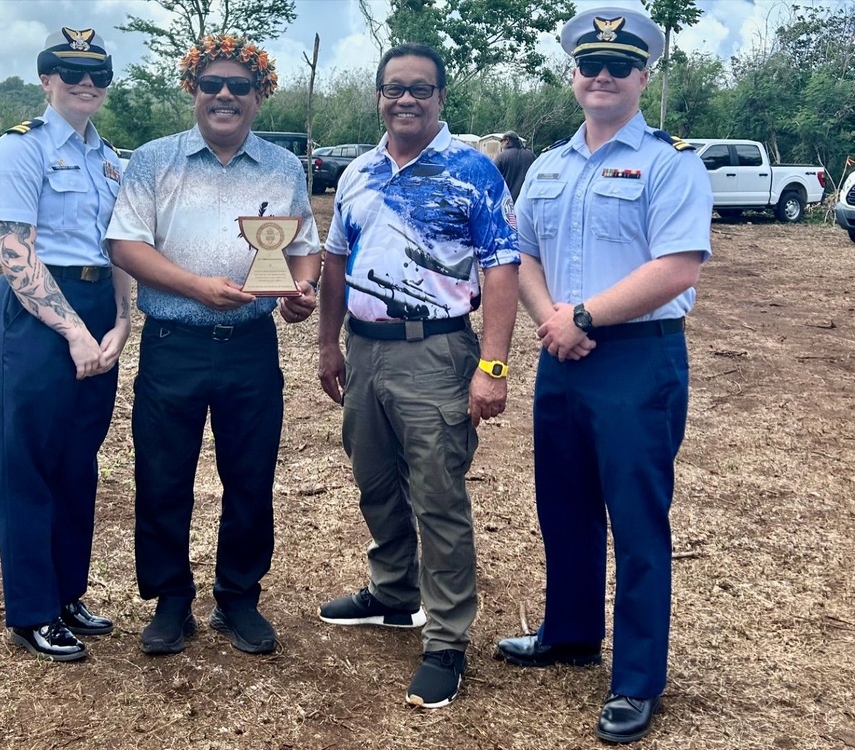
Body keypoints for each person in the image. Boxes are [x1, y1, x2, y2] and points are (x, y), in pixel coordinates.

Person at [493, 6, 713, 744]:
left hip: (636, 358)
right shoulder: (549, 165)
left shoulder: (671, 161)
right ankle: (571, 633)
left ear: (643, 76)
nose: (603, 77)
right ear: (575, 74)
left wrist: (582, 318)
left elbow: (677, 265)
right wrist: (552, 321)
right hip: (562, 355)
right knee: (563, 503)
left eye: (619, 66)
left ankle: (639, 678)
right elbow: (520, 251)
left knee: (637, 520)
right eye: (591, 65)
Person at [316, 42, 520, 709]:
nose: (406, 99)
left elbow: (501, 270)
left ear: (440, 98)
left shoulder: (473, 171)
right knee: (374, 481)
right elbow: (337, 265)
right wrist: (328, 344)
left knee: (437, 496)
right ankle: (394, 594)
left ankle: (447, 640)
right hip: (366, 347)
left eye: (420, 89)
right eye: (393, 88)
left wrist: (491, 367)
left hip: (437, 351)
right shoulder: (359, 172)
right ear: (379, 95)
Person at [106, 34, 321, 658]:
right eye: (212, 85)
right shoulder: (153, 160)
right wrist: (197, 287)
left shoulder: (282, 168)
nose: (224, 96)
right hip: (173, 342)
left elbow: (301, 247)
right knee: (163, 473)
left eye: (239, 87)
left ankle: (238, 598)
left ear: (259, 97)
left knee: (250, 476)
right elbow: (125, 246)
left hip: (252, 346)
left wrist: (300, 290)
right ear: (193, 92)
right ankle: (171, 600)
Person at [0, 26, 131, 662]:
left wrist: (123, 320)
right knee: (30, 464)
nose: (86, 83)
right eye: (71, 73)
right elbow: (14, 251)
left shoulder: (109, 157)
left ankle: (69, 593)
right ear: (46, 81)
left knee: (78, 463)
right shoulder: (21, 150)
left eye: (98, 74)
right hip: (35, 314)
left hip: (99, 305)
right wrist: (72, 332)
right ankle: (34, 610)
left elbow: (120, 243)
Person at [493, 130, 535, 203]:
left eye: (501, 141)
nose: (501, 144)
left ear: (507, 141)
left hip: (507, 202)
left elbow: (492, 177)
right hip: (527, 202)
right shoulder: (530, 155)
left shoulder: (501, 157)